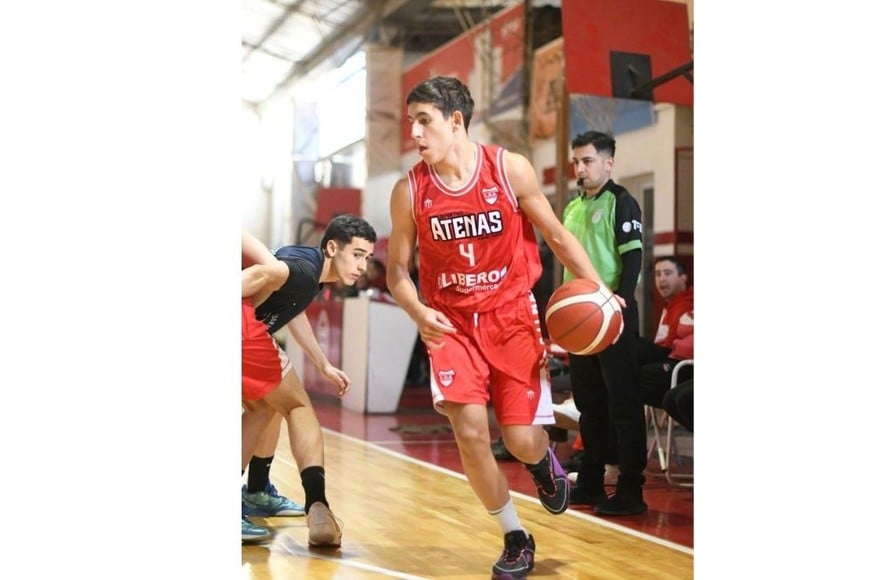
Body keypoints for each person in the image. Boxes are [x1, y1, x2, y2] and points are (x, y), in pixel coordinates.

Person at [386, 76, 610, 579]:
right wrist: (418, 312)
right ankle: (514, 535)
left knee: (521, 439)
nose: (416, 134)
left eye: (425, 121)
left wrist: (599, 291)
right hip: (450, 324)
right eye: (410, 123)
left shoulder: (510, 170)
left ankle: (541, 463)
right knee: (468, 432)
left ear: (456, 121)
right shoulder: (410, 190)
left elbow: (555, 235)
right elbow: (397, 271)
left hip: (511, 316)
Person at [241, 215, 377, 546]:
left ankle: (257, 491)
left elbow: (294, 309)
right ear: (332, 247)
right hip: (241, 330)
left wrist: (324, 364)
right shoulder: (301, 271)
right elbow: (265, 273)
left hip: (247, 333)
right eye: (357, 254)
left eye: (367, 258)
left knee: (269, 406)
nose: (362, 266)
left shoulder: (309, 270)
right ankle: (315, 502)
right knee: (296, 405)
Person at [563, 130, 648, 517]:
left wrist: (622, 302)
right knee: (590, 404)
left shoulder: (622, 202)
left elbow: (632, 258)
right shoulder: (571, 208)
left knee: (624, 405)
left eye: (588, 161)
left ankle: (632, 490)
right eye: (576, 161)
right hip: (578, 323)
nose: (580, 168)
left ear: (608, 163)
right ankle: (591, 481)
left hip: (612, 317)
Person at [638, 256, 694, 406]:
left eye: (668, 273)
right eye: (658, 274)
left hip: (679, 363)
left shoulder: (687, 303)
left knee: (632, 347)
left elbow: (673, 348)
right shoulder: (670, 305)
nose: (662, 279)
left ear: (683, 278)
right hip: (668, 358)